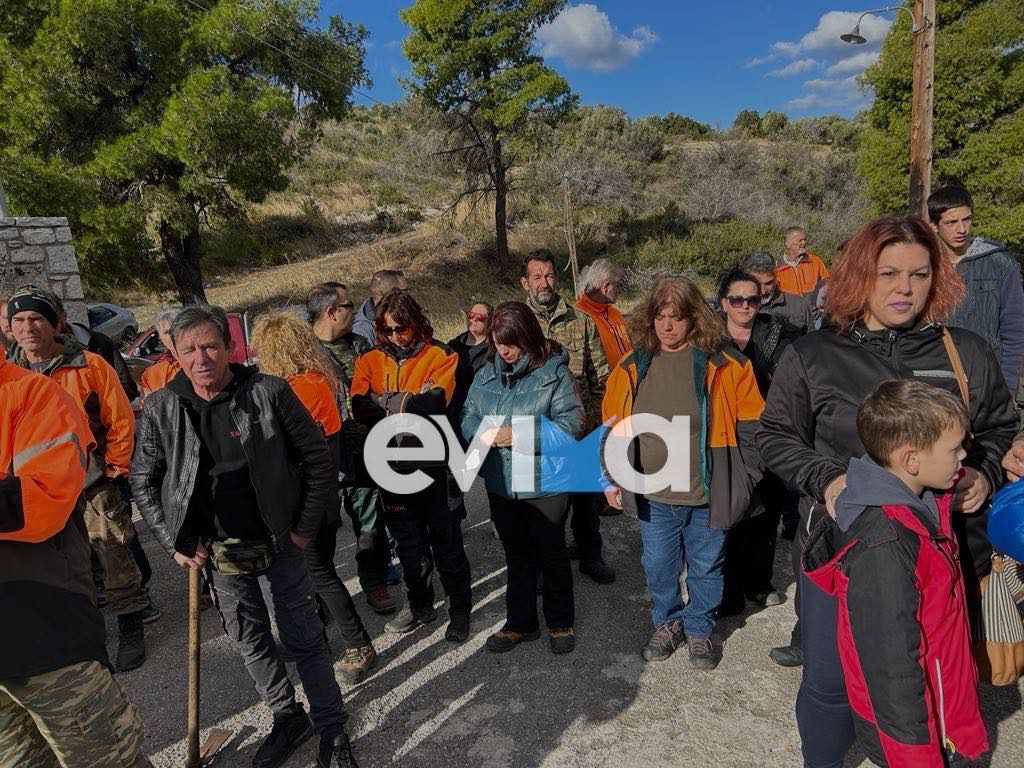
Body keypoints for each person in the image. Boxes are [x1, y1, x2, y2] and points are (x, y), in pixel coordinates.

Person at [756, 216, 1015, 768]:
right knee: (830, 686)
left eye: (920, 274)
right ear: (858, 275)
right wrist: (823, 478)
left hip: (945, 555)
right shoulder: (814, 354)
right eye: (888, 273)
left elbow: (997, 428)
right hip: (842, 552)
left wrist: (985, 475)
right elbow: (773, 436)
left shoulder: (964, 351)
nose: (905, 288)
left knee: (932, 677)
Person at [130, 305, 359, 768]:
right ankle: (286, 715)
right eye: (189, 348)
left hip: (280, 544)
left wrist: (301, 531)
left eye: (211, 345)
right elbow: (144, 480)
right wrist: (174, 539)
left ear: (231, 347)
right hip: (217, 556)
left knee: (304, 637)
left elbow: (317, 460)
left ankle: (331, 726)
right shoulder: (161, 407)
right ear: (174, 353)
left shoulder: (268, 392)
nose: (201, 358)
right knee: (250, 639)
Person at [805, 380, 987, 768]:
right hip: (919, 732)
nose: (964, 456)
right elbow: (891, 670)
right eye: (955, 449)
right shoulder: (885, 546)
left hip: (944, 703)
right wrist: (917, 759)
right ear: (911, 460)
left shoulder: (922, 498)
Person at [0, 338, 152, 768]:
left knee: (107, 761)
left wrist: (116, 466)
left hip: (41, 627)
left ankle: (133, 617)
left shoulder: (33, 395)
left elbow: (44, 506)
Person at [602, 276, 765, 669]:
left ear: (695, 319)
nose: (667, 326)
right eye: (660, 317)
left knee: (707, 564)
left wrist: (746, 476)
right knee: (658, 564)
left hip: (707, 490)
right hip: (653, 493)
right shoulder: (631, 365)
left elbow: (754, 427)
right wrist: (609, 476)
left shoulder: (728, 365)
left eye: (676, 317)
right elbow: (611, 425)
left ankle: (698, 629)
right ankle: (668, 621)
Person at [8, 286, 149, 673]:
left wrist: (115, 468)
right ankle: (88, 634)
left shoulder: (88, 365)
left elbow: (119, 417)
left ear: (56, 324)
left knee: (113, 549)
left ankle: (131, 621)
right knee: (67, 565)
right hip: (37, 493)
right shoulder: (9, 374)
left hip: (91, 482)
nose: (27, 327)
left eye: (36, 318)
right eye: (18, 320)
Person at [250, 312, 377, 685]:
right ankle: (318, 630)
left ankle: (358, 643)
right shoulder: (315, 378)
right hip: (317, 490)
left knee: (318, 571)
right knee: (310, 571)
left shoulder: (300, 387)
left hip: (310, 495)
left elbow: (286, 445)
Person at [461, 301, 585, 655]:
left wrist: (517, 434)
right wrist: (485, 431)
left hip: (546, 482)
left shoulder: (555, 373)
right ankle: (521, 623)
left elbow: (573, 425)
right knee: (516, 555)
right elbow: (468, 413)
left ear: (528, 335)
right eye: (498, 343)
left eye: (511, 343)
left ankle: (560, 622)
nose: (504, 351)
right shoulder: (486, 372)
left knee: (551, 552)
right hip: (502, 482)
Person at [350, 289, 473, 642]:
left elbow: (432, 404)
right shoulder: (369, 359)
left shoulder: (442, 354)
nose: (392, 336)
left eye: (399, 328)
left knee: (446, 542)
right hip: (390, 464)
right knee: (407, 544)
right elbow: (359, 408)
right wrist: (405, 401)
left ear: (416, 324)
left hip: (436, 463)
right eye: (385, 330)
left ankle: (460, 609)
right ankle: (420, 605)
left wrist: (384, 400)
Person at [521, 249, 615, 584]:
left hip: (580, 428)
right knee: (545, 510)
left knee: (586, 504)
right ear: (525, 282)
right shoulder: (517, 322)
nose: (544, 283)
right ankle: (547, 568)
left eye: (548, 276)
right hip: (538, 434)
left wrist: (599, 425)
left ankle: (590, 556)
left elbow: (600, 374)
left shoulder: (581, 320)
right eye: (536, 277)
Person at [307, 282, 396, 616]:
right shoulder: (303, 353)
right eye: (348, 305)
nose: (354, 309)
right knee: (321, 533)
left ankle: (375, 584)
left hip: (362, 451)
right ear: (332, 312)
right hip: (321, 458)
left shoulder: (359, 345)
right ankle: (322, 596)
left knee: (370, 524)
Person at [715, 268, 791, 616]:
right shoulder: (709, 339)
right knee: (730, 512)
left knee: (766, 510)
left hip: (770, 431)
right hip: (726, 434)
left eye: (753, 299)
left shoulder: (779, 333)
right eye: (737, 299)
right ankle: (727, 588)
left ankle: (758, 583)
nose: (745, 306)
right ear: (724, 302)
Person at [928, 185, 1024, 393]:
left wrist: (1006, 387)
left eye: (967, 219)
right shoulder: (924, 266)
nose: (961, 229)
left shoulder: (1001, 264)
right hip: (935, 381)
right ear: (934, 225)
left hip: (988, 379)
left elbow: (1015, 330)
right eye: (952, 222)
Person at [575, 258, 632, 370]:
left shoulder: (614, 313)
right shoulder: (578, 316)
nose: (619, 290)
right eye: (617, 286)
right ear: (605, 287)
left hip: (628, 383)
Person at [742, 251, 813, 335]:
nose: (763, 291)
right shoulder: (736, 307)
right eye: (757, 284)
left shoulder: (798, 305)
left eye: (768, 283)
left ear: (776, 276)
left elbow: (812, 342)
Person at [449, 302, 493, 416]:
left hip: (477, 412)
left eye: (480, 317)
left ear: (490, 321)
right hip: (451, 409)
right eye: (471, 315)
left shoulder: (494, 350)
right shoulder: (453, 346)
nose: (474, 319)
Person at [352, 270, 408, 346]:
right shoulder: (362, 331)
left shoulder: (403, 312)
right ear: (389, 295)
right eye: (404, 291)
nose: (408, 296)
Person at [138, 306, 182, 403]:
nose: (173, 335)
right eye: (167, 332)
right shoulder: (151, 375)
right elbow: (148, 410)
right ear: (160, 337)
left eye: (177, 329)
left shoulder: (206, 361)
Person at [776, 226, 829, 301]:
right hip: (790, 311)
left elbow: (827, 286)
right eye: (800, 240)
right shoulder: (777, 268)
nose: (804, 242)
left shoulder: (815, 261)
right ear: (788, 244)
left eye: (804, 239)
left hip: (814, 311)